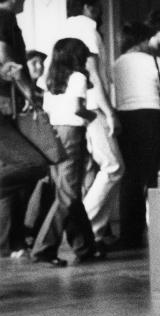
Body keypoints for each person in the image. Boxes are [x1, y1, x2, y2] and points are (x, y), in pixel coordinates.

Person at [58, 0, 124, 250]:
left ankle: (90, 230)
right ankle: (87, 228)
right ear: (88, 6)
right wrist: (110, 113)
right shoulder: (88, 28)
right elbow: (94, 72)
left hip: (65, 113)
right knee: (114, 166)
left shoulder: (63, 28)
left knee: (82, 174)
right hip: (92, 105)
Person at [30, 37, 99, 266]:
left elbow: (45, 108)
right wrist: (95, 116)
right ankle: (44, 248)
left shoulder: (48, 79)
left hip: (52, 134)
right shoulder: (78, 77)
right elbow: (78, 109)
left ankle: (85, 246)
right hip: (71, 133)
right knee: (68, 195)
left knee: (68, 192)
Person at [112, 22, 160, 250]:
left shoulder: (117, 63)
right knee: (156, 174)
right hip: (152, 115)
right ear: (143, 40)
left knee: (131, 178)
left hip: (126, 117)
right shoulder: (153, 60)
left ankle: (130, 235)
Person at [0, 0, 38, 258]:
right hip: (4, 106)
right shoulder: (4, 16)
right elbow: (5, 60)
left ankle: (10, 242)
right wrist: (30, 92)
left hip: (5, 105)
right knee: (33, 163)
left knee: (13, 169)